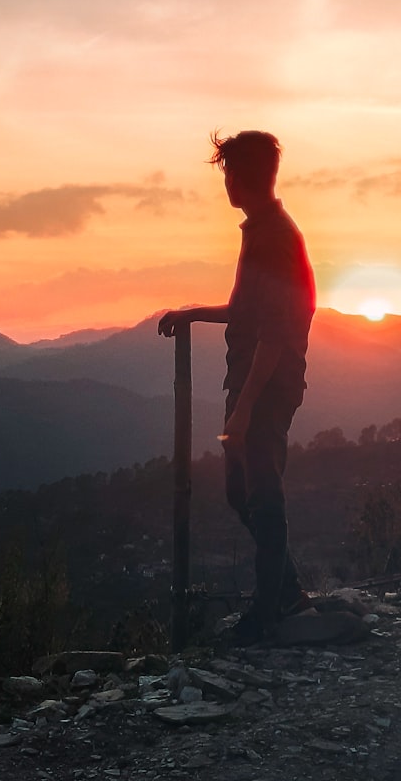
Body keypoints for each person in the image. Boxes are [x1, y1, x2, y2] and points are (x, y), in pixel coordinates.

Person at [158, 130, 316, 646]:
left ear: (242, 175)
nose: (223, 179)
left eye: (227, 170)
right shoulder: (262, 231)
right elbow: (248, 311)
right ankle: (286, 592)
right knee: (237, 490)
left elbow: (273, 333)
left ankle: (269, 612)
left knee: (262, 494)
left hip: (265, 385)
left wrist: (243, 411)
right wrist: (193, 313)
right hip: (252, 379)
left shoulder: (273, 237)